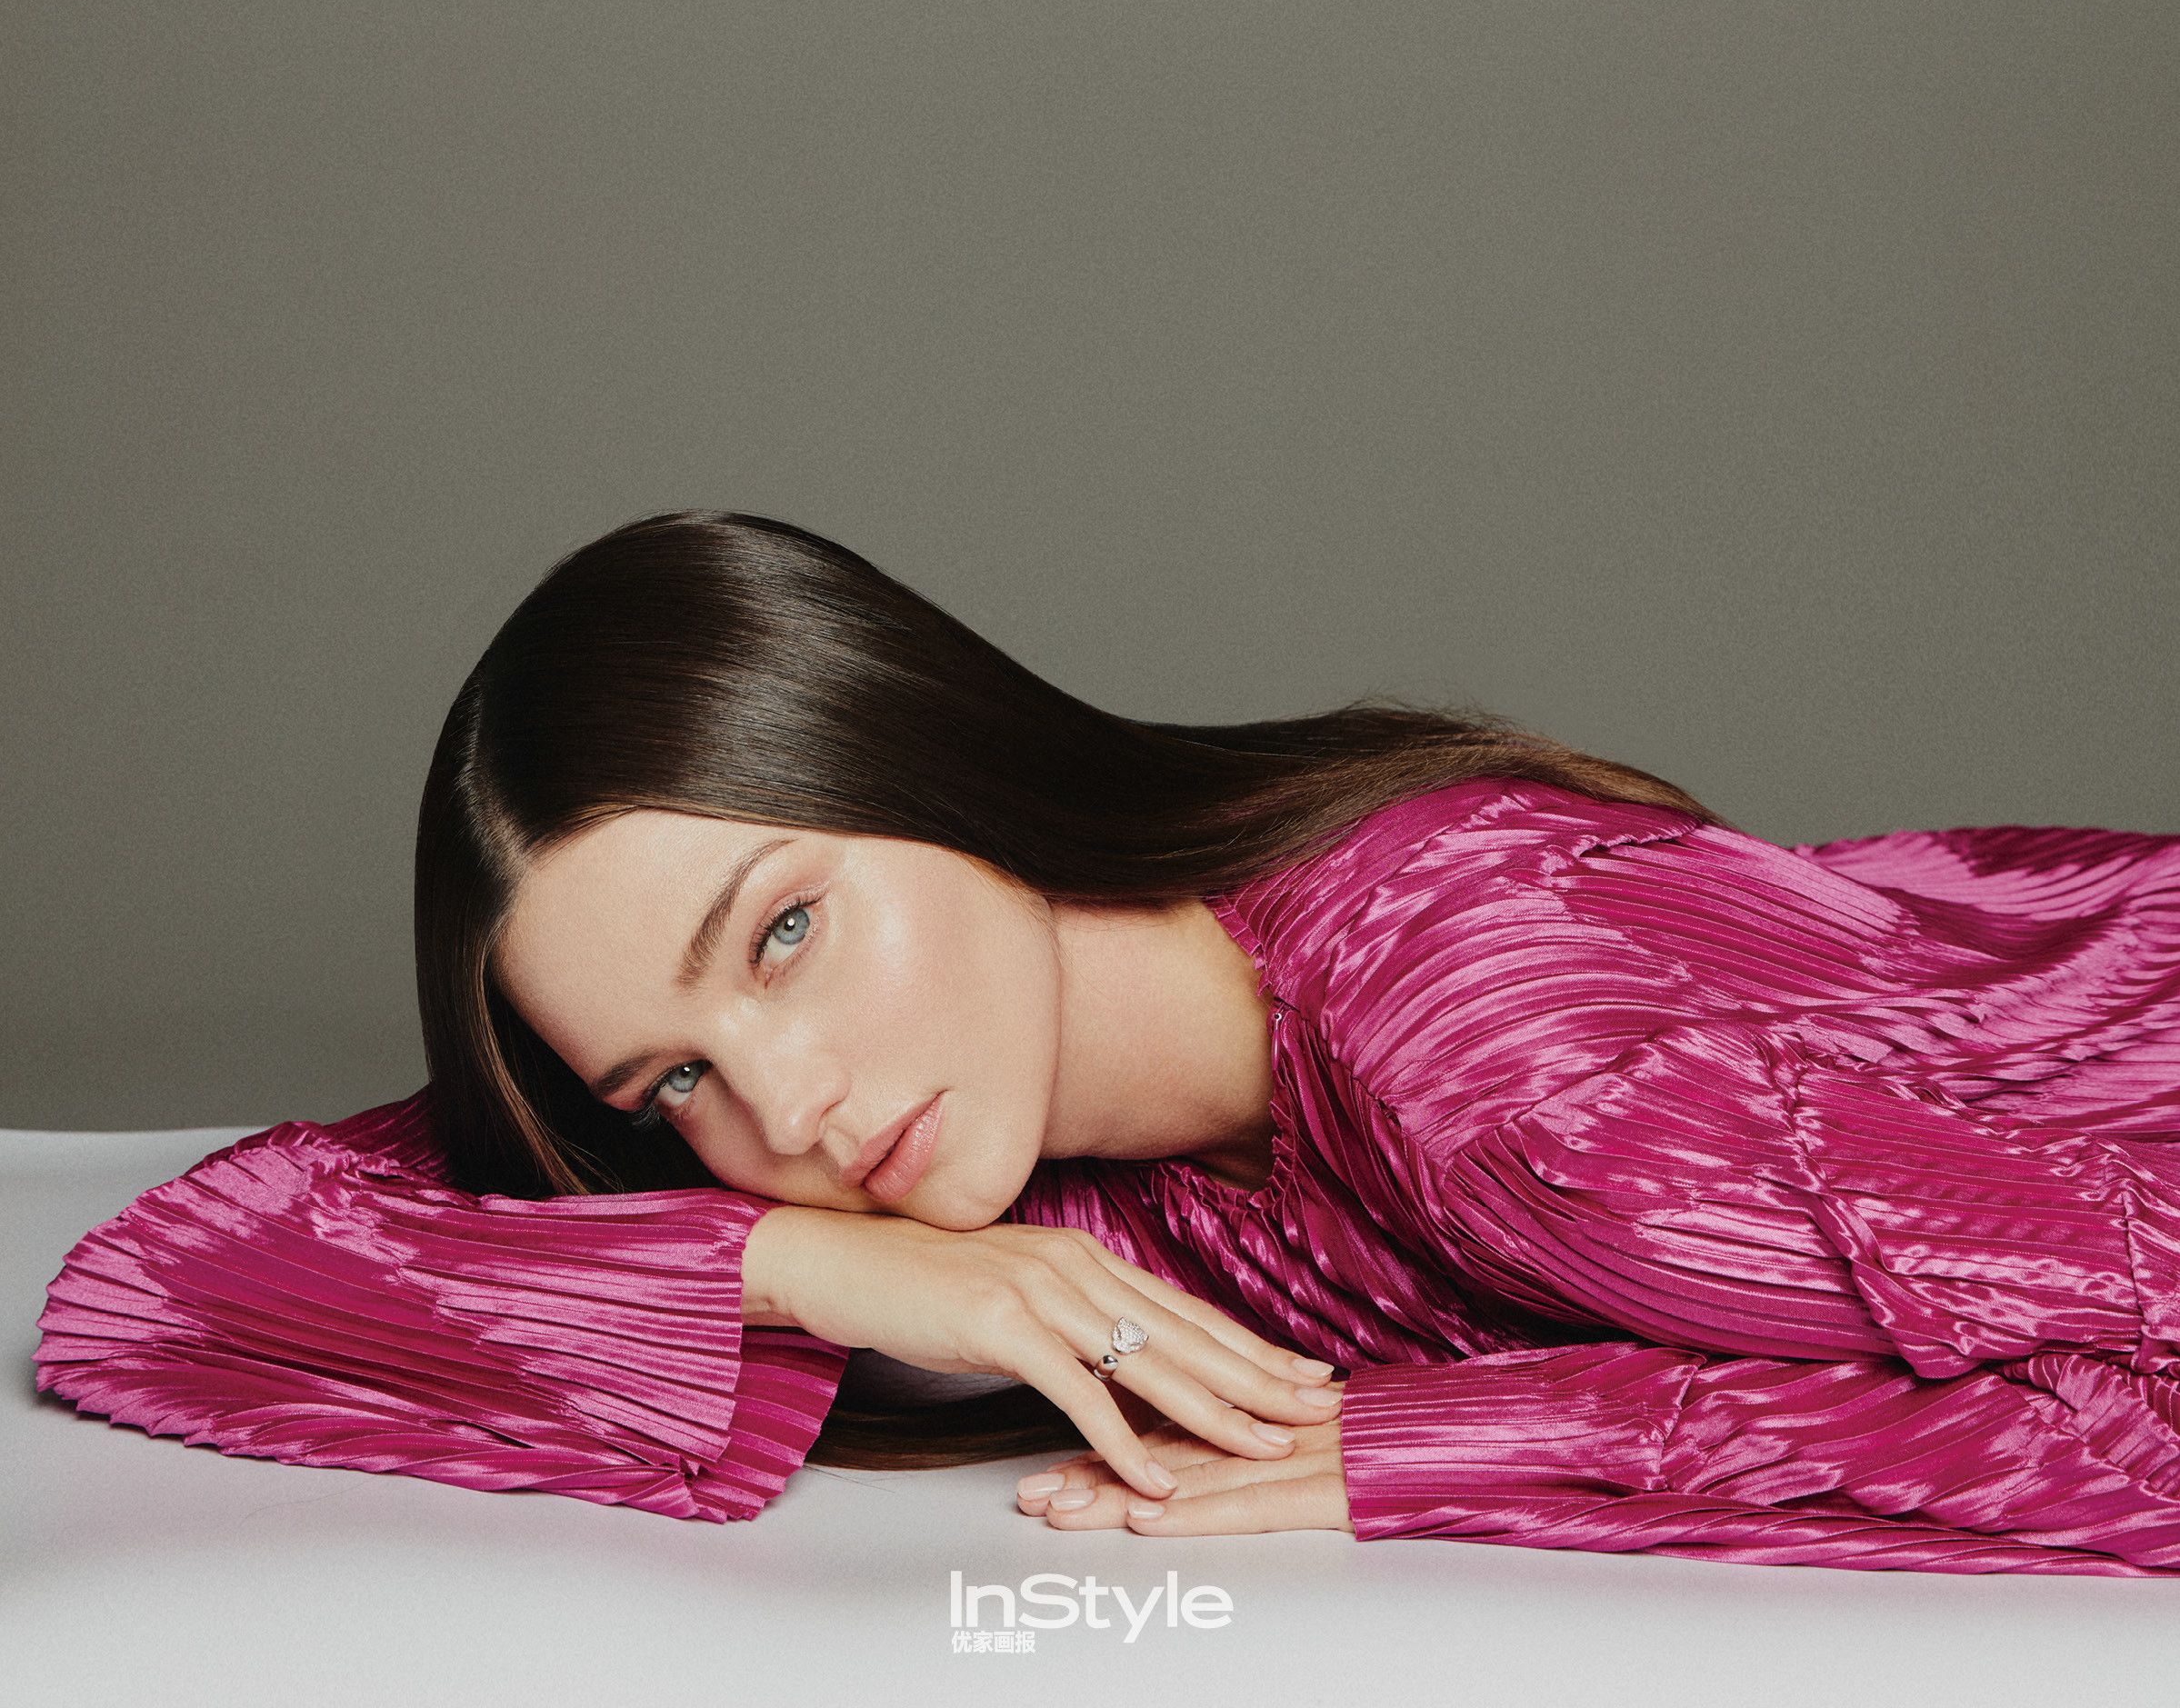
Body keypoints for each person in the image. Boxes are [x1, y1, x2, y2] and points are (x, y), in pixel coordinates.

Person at [35, 512, 2180, 1573]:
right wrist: (805, 1263)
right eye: (670, 1081)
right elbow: (166, 1284)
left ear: (941, 765)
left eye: (782, 932)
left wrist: (1456, 1444)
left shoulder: (1505, 1080)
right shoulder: (1044, 1174)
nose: (780, 1108)